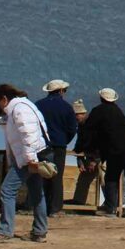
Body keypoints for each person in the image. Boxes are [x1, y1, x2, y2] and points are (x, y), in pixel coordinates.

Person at [0, 83, 51, 244]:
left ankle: (5, 231)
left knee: (7, 191)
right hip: (36, 154)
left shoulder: (20, 109)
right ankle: (39, 231)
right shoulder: (23, 106)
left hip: (28, 157)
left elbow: (28, 134)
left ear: (4, 99)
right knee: (36, 192)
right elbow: (13, 128)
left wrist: (30, 159)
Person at [82, 88, 125, 217]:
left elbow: (90, 131)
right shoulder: (117, 111)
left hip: (116, 150)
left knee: (111, 178)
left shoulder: (98, 111)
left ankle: (110, 208)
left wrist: (90, 152)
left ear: (101, 98)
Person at [35, 79, 77, 216]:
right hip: (59, 145)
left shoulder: (38, 105)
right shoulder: (67, 107)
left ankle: (38, 206)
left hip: (41, 145)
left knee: (41, 174)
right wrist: (64, 140)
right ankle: (55, 208)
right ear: (60, 91)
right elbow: (72, 129)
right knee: (56, 176)